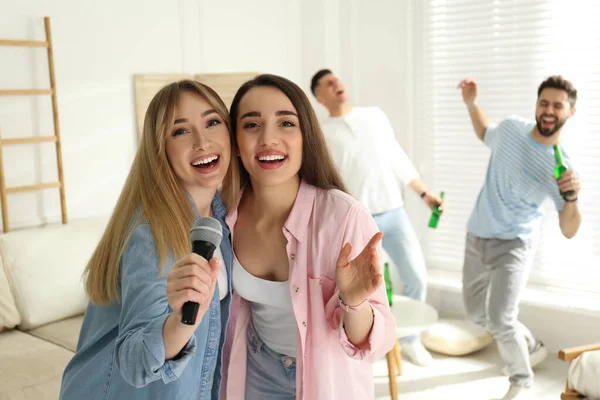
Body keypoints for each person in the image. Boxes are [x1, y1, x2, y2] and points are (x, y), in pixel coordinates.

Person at [219, 74, 396, 399]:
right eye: (251, 125)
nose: (268, 138)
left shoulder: (344, 216)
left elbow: (376, 346)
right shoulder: (224, 214)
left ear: (306, 137)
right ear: (236, 143)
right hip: (256, 366)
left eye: (286, 123)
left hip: (326, 377)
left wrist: (355, 303)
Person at [60, 80, 238, 399]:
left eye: (212, 122)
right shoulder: (153, 229)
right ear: (161, 148)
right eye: (180, 131)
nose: (202, 141)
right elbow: (136, 359)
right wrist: (185, 319)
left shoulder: (221, 217)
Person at [457, 75, 582, 400]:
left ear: (571, 112)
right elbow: (486, 132)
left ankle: (521, 380)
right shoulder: (512, 129)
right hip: (477, 233)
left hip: (513, 244)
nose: (549, 110)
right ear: (537, 105)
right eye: (544, 102)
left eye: (558, 105)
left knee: (501, 318)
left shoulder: (561, 166)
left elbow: (569, 230)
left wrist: (570, 198)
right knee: (476, 314)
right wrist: (472, 103)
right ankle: (531, 344)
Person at [310, 69, 442, 366]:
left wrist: (424, 194)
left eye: (337, 80)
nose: (337, 85)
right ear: (319, 97)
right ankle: (373, 342)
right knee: (365, 287)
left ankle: (409, 341)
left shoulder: (375, 116)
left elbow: (398, 158)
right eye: (328, 84)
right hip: (359, 222)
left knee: (416, 277)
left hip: (394, 213)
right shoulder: (322, 134)